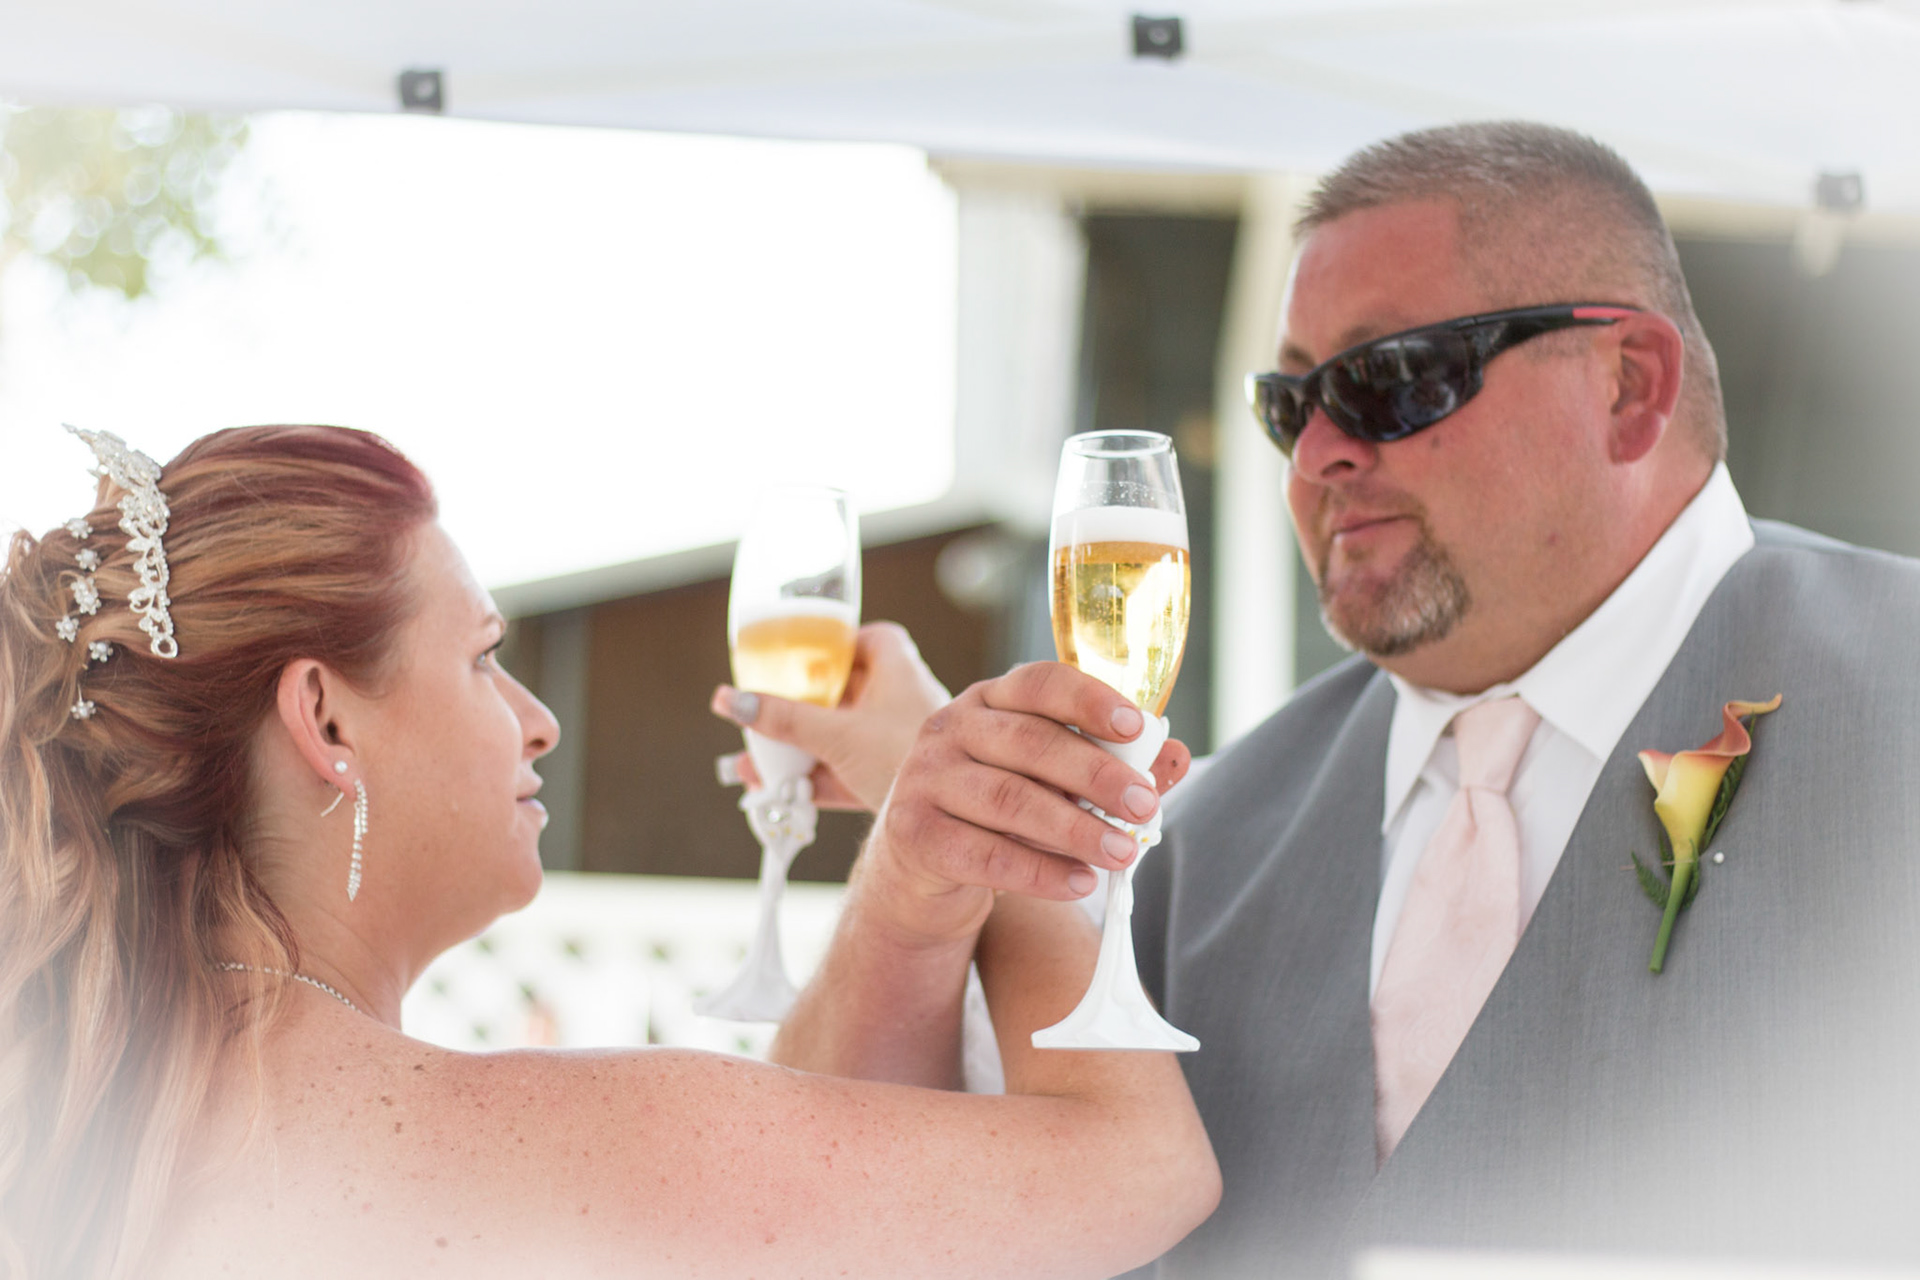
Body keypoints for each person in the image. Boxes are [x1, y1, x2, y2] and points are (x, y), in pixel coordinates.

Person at [757, 121, 1920, 1278]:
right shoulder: (1199, 845)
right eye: (1289, 405)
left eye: (1388, 379)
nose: (1315, 457)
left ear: (1630, 387)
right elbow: (835, 1212)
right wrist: (907, 884)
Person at [0, 423, 1220, 1279]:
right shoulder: (550, 1144)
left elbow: (811, 1202)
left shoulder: (76, 1135)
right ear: (324, 719)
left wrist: (916, 879)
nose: (537, 719)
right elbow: (1142, 1168)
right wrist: (975, 777)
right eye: (484, 657)